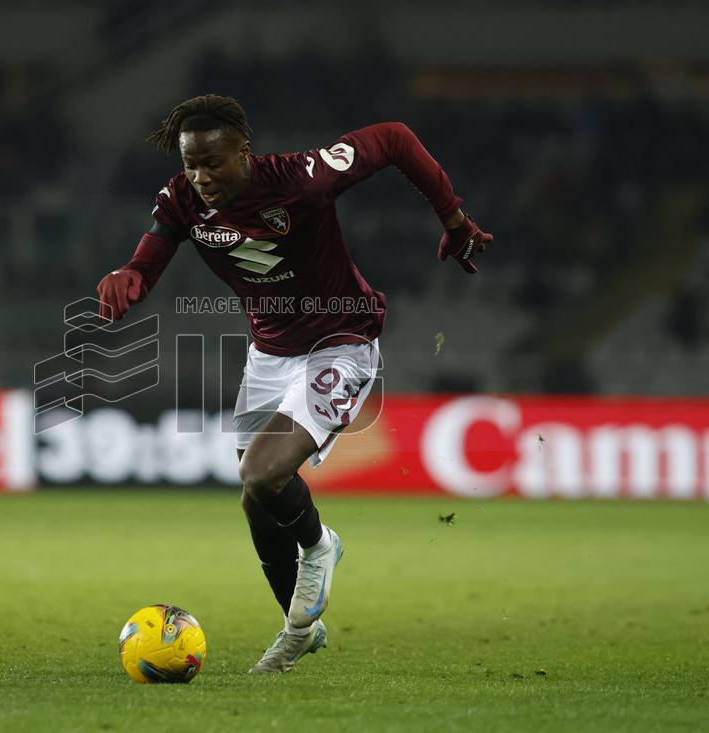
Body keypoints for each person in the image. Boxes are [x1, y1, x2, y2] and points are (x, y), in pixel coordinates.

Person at [96, 94, 492, 674]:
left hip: (341, 343)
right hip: (269, 355)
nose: (201, 177)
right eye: (190, 164)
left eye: (214, 163)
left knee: (262, 470)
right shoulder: (182, 198)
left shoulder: (301, 179)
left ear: (245, 153)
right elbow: (154, 248)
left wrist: (453, 219)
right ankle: (298, 629)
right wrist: (132, 272)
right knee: (255, 495)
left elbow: (396, 137)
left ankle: (320, 545)